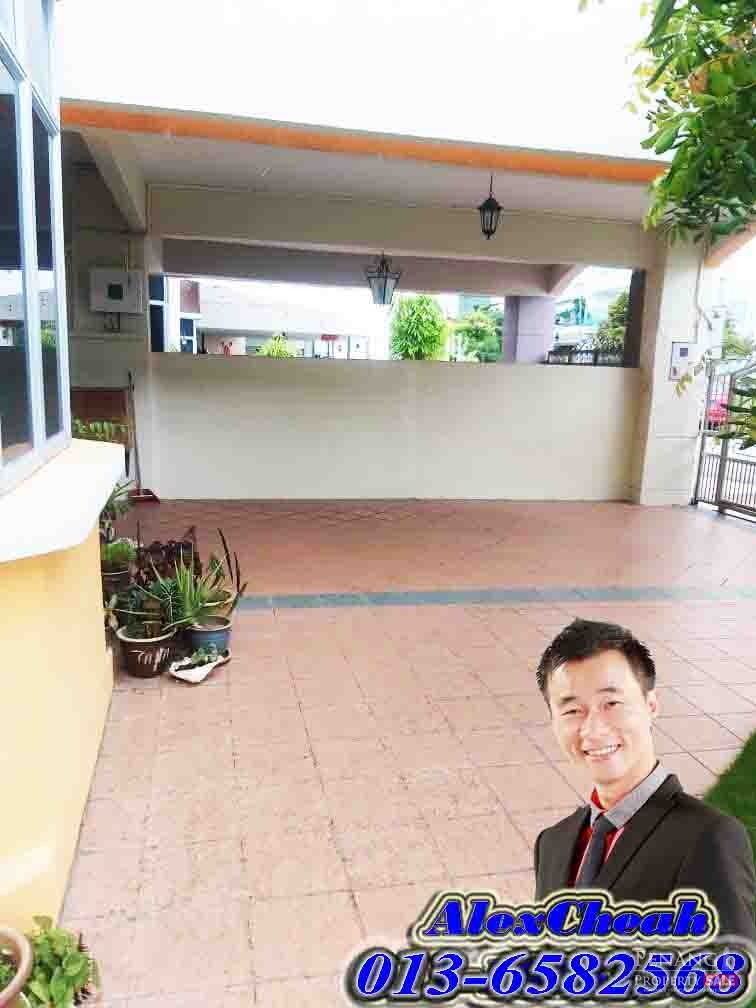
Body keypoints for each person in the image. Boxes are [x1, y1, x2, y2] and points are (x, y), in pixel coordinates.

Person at [533, 618, 756, 943]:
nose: (593, 729)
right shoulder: (552, 844)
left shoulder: (710, 837)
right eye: (572, 711)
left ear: (651, 706)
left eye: (611, 704)